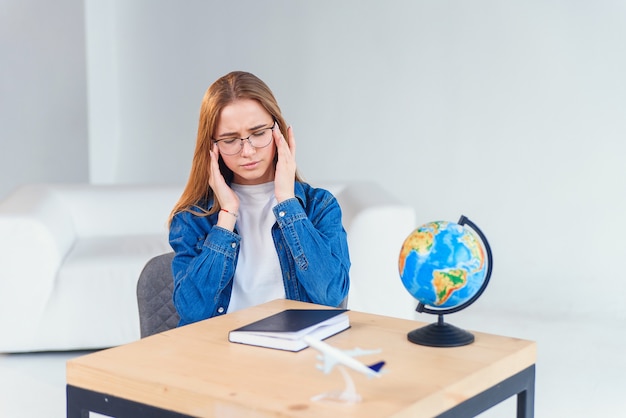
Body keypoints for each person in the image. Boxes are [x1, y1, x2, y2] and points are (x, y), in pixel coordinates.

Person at [168, 71, 350, 326]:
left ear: (278, 131)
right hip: (217, 354)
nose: (248, 151)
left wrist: (287, 201)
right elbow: (192, 311)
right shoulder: (192, 218)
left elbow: (330, 295)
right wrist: (227, 215)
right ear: (212, 147)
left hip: (292, 354)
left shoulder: (319, 206)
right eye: (230, 139)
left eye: (259, 133)